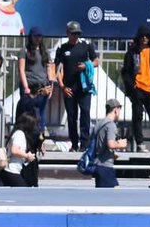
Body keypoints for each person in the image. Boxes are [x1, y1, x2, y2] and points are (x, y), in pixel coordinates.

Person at [55, 21, 99, 151]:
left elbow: (96, 61)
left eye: (77, 34)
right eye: (73, 33)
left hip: (84, 88)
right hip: (69, 88)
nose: (75, 36)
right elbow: (57, 68)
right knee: (71, 116)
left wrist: (86, 65)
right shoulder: (63, 49)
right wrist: (62, 86)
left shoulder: (86, 46)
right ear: (67, 33)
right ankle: (74, 144)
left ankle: (84, 144)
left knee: (85, 114)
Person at [121, 24, 150, 152]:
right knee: (137, 117)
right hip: (137, 88)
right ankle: (140, 143)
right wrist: (132, 86)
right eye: (142, 36)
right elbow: (125, 72)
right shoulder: (132, 52)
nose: (144, 38)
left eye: (147, 36)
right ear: (138, 38)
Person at [16, 27, 54, 134]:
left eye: (40, 36)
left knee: (41, 112)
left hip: (42, 86)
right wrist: (26, 87)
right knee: (27, 112)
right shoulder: (24, 51)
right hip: (29, 86)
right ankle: (26, 134)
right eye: (35, 36)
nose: (38, 39)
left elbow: (49, 68)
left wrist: (50, 85)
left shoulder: (45, 52)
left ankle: (40, 136)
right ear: (31, 37)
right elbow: (21, 70)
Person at [1, 111, 41, 187]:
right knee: (23, 191)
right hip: (12, 170)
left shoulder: (20, 133)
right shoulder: (19, 134)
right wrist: (27, 156)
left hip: (15, 170)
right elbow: (14, 150)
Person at [91, 98, 125, 188]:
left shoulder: (99, 124)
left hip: (97, 165)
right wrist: (121, 144)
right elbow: (111, 144)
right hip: (105, 167)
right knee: (115, 195)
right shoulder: (111, 125)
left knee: (102, 197)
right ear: (116, 110)